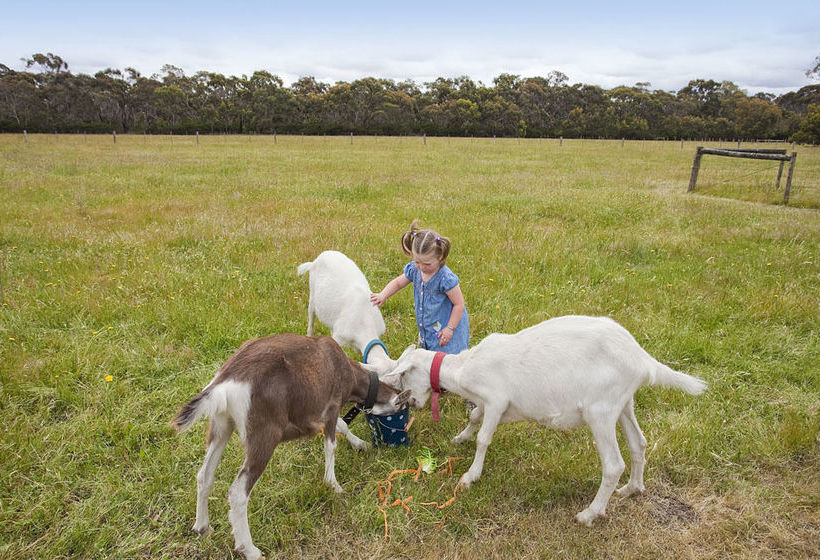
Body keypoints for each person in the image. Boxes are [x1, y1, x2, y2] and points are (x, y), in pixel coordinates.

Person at [370, 220, 469, 354]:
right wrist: (383, 295)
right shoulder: (415, 270)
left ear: (440, 257)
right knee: (428, 358)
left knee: (447, 361)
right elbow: (398, 283)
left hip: (446, 328)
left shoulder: (445, 278)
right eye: (417, 262)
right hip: (429, 328)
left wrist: (450, 329)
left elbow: (459, 304)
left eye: (427, 264)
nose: (421, 267)